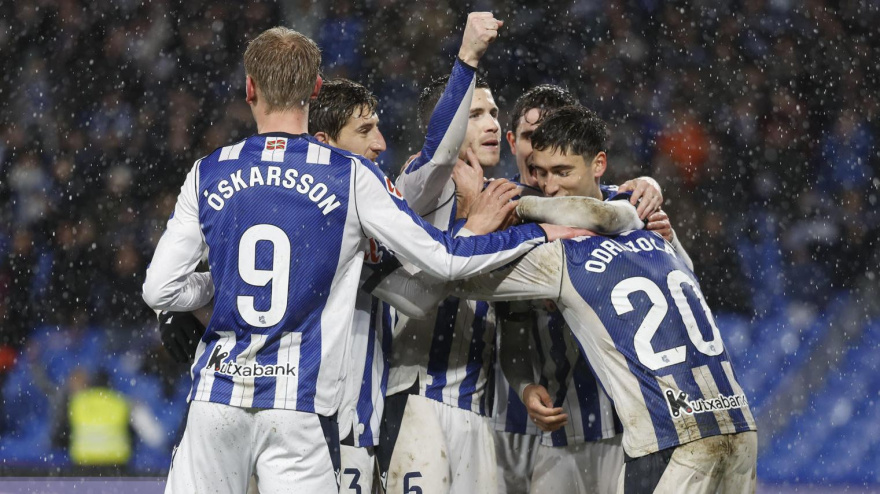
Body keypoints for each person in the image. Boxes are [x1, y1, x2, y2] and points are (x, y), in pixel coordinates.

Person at [142, 26, 585, 494]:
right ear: (315, 90)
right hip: (299, 406)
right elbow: (444, 261)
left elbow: (160, 290)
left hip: (218, 397)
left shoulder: (210, 170)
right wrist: (538, 231)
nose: (379, 143)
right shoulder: (350, 176)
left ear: (250, 88)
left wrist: (218, 284)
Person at [457, 106, 758, 493]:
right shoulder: (648, 226)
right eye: (542, 173)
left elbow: (459, 276)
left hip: (663, 436)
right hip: (735, 421)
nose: (550, 187)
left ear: (598, 164)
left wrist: (479, 217)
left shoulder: (565, 247)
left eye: (563, 172)